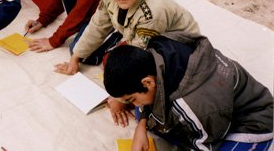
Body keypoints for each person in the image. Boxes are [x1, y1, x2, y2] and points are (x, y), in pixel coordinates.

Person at [54, 0, 201, 127]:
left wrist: (121, 99)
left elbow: (139, 59)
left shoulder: (153, 13)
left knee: (147, 90)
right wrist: (76, 57)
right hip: (138, 37)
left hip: (178, 49)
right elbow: (98, 24)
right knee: (103, 60)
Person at [104, 32, 273, 151]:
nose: (133, 103)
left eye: (132, 98)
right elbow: (152, 99)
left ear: (148, 82)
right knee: (147, 112)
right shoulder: (156, 56)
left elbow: (205, 146)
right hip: (214, 111)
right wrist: (141, 125)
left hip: (254, 121)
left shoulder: (195, 107)